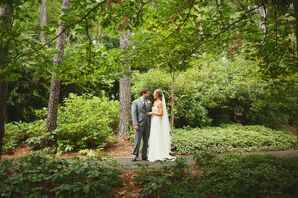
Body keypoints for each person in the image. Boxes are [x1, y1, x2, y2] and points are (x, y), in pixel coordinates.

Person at [147, 89, 175, 162]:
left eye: (154, 93)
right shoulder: (155, 102)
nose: (153, 94)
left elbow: (161, 114)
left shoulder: (160, 103)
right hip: (153, 121)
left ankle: (159, 154)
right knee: (153, 136)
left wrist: (152, 113)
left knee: (157, 135)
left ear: (157, 95)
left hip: (157, 121)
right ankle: (153, 154)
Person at [131, 89, 152, 162]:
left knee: (146, 141)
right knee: (137, 140)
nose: (148, 94)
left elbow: (150, 113)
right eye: (147, 93)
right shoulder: (135, 102)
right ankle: (134, 155)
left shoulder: (149, 102)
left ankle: (144, 155)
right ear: (143, 93)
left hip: (147, 124)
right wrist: (135, 124)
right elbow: (133, 114)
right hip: (139, 124)